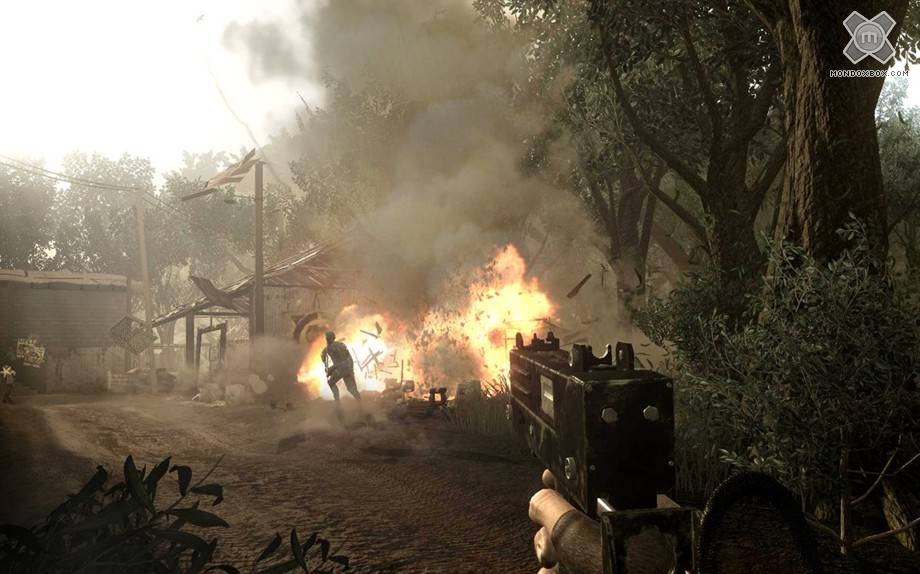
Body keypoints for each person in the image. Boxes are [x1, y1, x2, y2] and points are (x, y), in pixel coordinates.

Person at [320, 331, 360, 417]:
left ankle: (338, 403)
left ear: (333, 338)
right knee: (350, 389)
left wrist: (332, 368)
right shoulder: (331, 347)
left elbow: (344, 360)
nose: (327, 339)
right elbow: (324, 355)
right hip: (344, 368)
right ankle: (360, 404)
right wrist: (326, 364)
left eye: (329, 337)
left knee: (333, 383)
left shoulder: (337, 346)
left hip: (344, 368)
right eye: (327, 337)